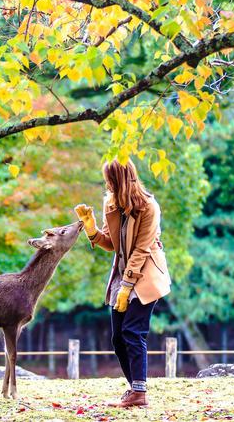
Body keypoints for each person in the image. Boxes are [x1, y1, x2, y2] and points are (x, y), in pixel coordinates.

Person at [75, 158, 171, 409]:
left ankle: (139, 392)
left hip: (145, 274)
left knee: (133, 331)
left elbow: (141, 250)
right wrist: (92, 230)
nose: (107, 185)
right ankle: (135, 391)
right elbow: (112, 244)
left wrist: (128, 286)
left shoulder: (149, 207)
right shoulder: (111, 203)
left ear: (121, 179)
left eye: (110, 180)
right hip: (123, 273)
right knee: (118, 337)